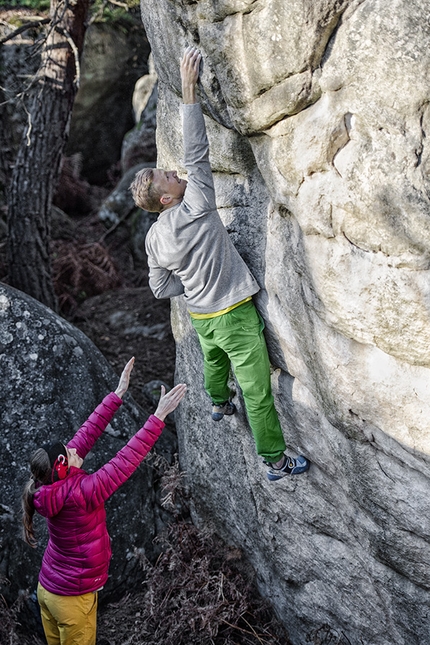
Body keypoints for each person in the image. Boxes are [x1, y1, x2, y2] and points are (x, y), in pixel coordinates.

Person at [130, 47, 310, 481]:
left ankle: (215, 402)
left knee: (213, 361)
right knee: (257, 391)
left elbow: (159, 289)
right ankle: (275, 461)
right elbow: (195, 153)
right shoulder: (196, 205)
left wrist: (191, 286)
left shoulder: (155, 237)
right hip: (232, 313)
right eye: (166, 177)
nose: (174, 172)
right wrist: (189, 92)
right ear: (168, 198)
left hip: (202, 316)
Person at [22, 357, 187, 645]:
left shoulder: (46, 488)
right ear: (62, 467)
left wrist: (117, 394)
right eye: (69, 453)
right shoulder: (82, 492)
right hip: (73, 599)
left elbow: (86, 434)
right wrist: (158, 416)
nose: (75, 449)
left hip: (49, 590)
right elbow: (125, 460)